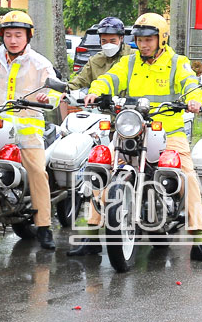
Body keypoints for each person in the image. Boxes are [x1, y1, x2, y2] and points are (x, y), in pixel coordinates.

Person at [84, 13, 202, 263]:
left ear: (161, 39)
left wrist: (194, 100)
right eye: (140, 39)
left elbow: (191, 84)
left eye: (149, 39)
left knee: (188, 176)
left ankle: (199, 241)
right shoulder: (129, 62)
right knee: (104, 169)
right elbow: (108, 79)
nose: (143, 44)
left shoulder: (177, 62)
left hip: (169, 131)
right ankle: (91, 235)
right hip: (133, 128)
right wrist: (95, 92)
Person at [0, 11, 61, 249]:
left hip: (26, 129)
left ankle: (44, 227)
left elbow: (56, 89)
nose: (13, 40)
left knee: (38, 171)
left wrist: (47, 95)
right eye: (9, 35)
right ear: (2, 37)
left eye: (18, 35)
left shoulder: (39, 63)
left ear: (28, 36)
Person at [65, 16, 134, 257]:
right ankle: (92, 235)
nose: (107, 44)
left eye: (112, 40)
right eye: (103, 40)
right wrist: (66, 91)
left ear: (122, 39)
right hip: (102, 124)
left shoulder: (133, 61)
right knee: (97, 173)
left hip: (129, 124)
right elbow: (79, 82)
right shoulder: (95, 61)